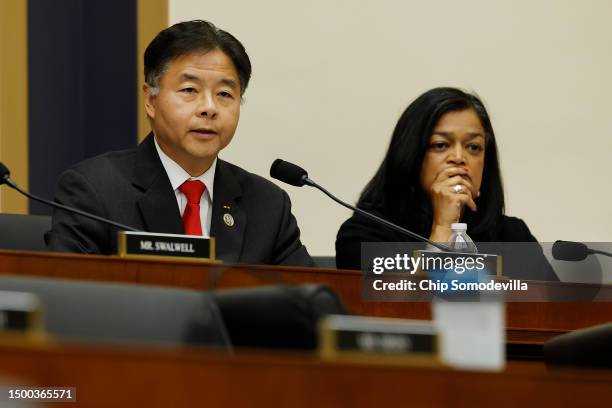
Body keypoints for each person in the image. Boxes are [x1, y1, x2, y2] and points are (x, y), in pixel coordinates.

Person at [45, 20, 313, 267]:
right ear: (150, 99)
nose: (209, 108)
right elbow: (74, 300)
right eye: (189, 90)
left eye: (224, 94)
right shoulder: (94, 191)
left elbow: (310, 303)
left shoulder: (267, 205)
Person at [336, 87, 557, 280]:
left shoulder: (512, 236)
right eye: (441, 145)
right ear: (410, 154)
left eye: (473, 147)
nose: (459, 157)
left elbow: (560, 317)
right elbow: (396, 313)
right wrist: (443, 228)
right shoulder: (366, 234)